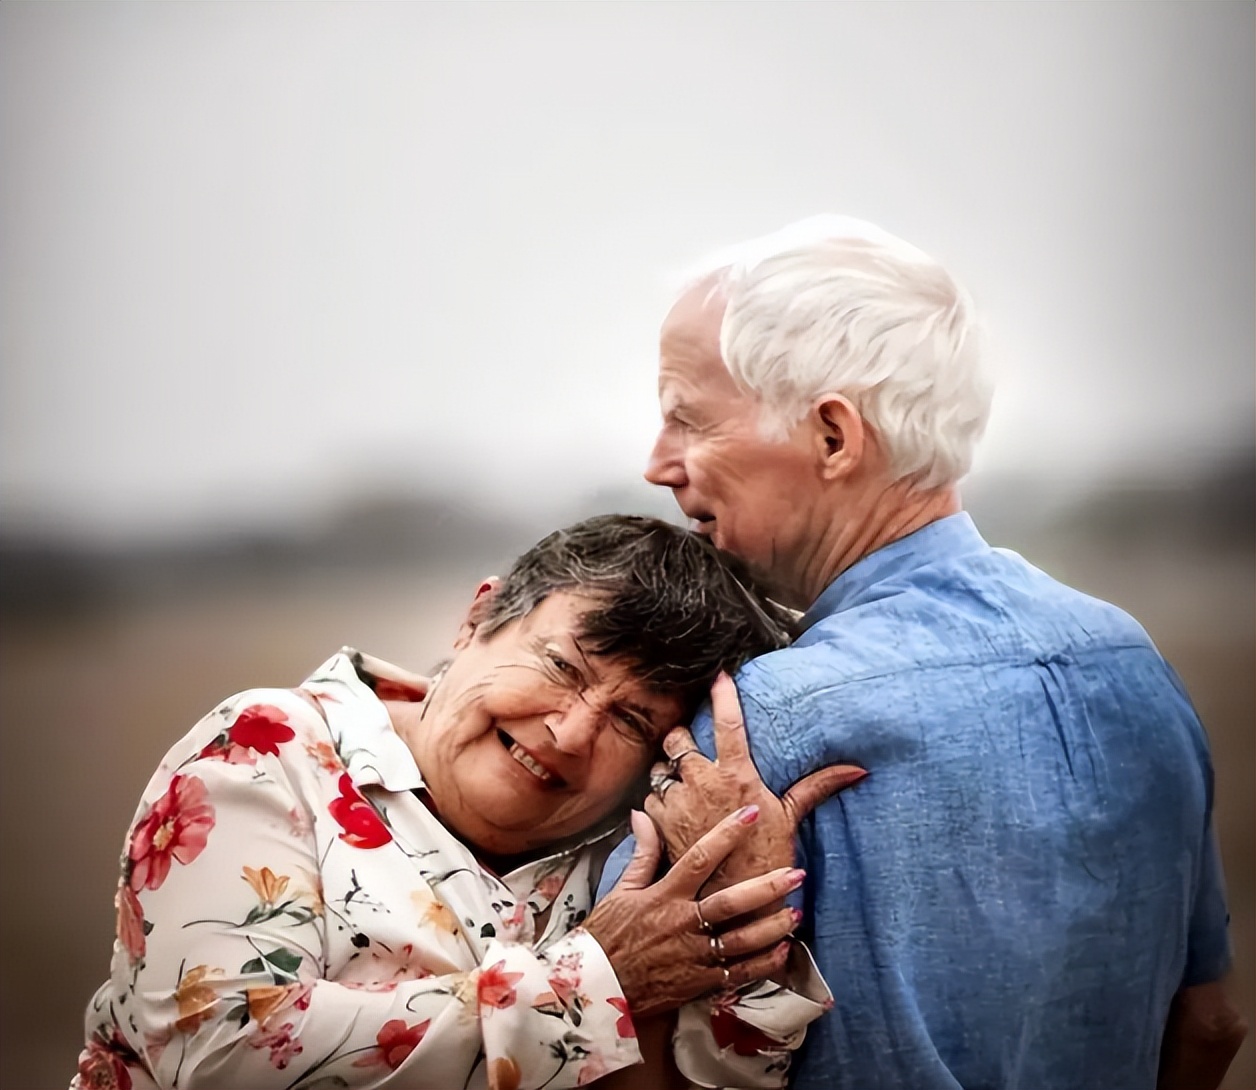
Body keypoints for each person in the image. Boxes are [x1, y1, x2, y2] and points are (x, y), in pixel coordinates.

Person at [606, 217, 1247, 1089]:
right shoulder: (1130, 663)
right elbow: (1211, 1023)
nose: (658, 463)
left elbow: (614, 1049)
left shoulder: (760, 723)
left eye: (687, 419)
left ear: (834, 436)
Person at [74, 515, 853, 1090]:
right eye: (562, 665)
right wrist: (597, 981)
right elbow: (217, 1054)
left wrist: (755, 899)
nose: (571, 732)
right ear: (480, 613)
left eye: (631, 720)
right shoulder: (269, 748)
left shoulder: (627, 854)